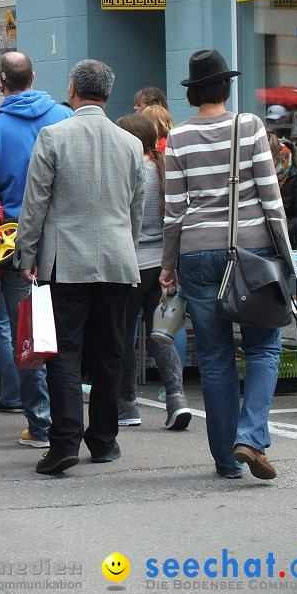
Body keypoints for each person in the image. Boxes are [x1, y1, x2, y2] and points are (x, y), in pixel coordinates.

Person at [160, 49, 287, 481]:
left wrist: (168, 263)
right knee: (263, 347)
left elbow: (173, 209)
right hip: (252, 250)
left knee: (214, 358)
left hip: (196, 253)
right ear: (227, 86)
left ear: (194, 92)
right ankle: (251, 437)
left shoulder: (177, 137)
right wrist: (284, 253)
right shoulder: (248, 125)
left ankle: (226, 461)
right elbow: (271, 197)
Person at [17, 60, 144, 475]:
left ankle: (65, 442)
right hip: (118, 260)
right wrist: (129, 247)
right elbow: (135, 210)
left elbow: (35, 203)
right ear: (107, 93)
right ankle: (104, 441)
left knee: (65, 354)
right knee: (111, 354)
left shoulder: (53, 136)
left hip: (64, 260)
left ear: (72, 89)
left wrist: (26, 254)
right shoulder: (130, 143)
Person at [0, 51, 70, 451]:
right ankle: (70, 420)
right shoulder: (65, 118)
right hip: (66, 242)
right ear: (33, 76)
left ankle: (41, 424)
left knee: (27, 334)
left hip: (14, 244)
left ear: (0, 83)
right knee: (67, 333)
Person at [114, 113, 191, 432]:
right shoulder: (164, 170)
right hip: (163, 265)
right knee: (163, 333)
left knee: (125, 334)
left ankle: (128, 404)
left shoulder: (127, 173)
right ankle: (177, 399)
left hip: (131, 264)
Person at [269, 132, 297, 249]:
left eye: (268, 159)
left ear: (278, 156)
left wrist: (279, 231)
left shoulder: (295, 173)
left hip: (283, 242)